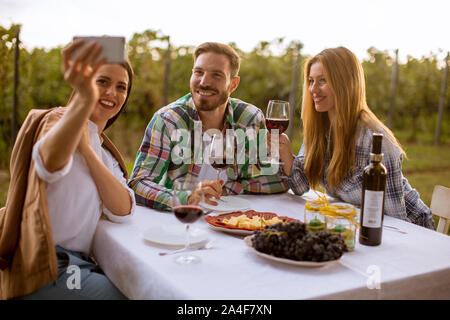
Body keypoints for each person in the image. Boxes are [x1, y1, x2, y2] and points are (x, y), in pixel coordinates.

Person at [0, 39, 135, 299]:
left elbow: (123, 209)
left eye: (122, 87)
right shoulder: (58, 120)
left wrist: (87, 152)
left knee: (136, 286)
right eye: (102, 81)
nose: (112, 93)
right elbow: (49, 163)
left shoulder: (103, 149)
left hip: (79, 264)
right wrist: (84, 101)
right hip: (47, 266)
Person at [276, 46, 435, 230]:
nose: (313, 89)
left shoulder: (376, 141)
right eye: (311, 81)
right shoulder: (320, 130)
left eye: (323, 81)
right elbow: (301, 187)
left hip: (413, 230)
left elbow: (396, 222)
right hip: (359, 224)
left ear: (344, 83)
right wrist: (286, 155)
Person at [129, 42, 288, 211]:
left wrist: (229, 189)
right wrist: (188, 197)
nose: (204, 82)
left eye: (216, 75)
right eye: (199, 72)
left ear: (233, 84)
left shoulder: (250, 119)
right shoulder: (169, 120)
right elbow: (139, 183)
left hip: (231, 218)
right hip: (181, 221)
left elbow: (279, 178)